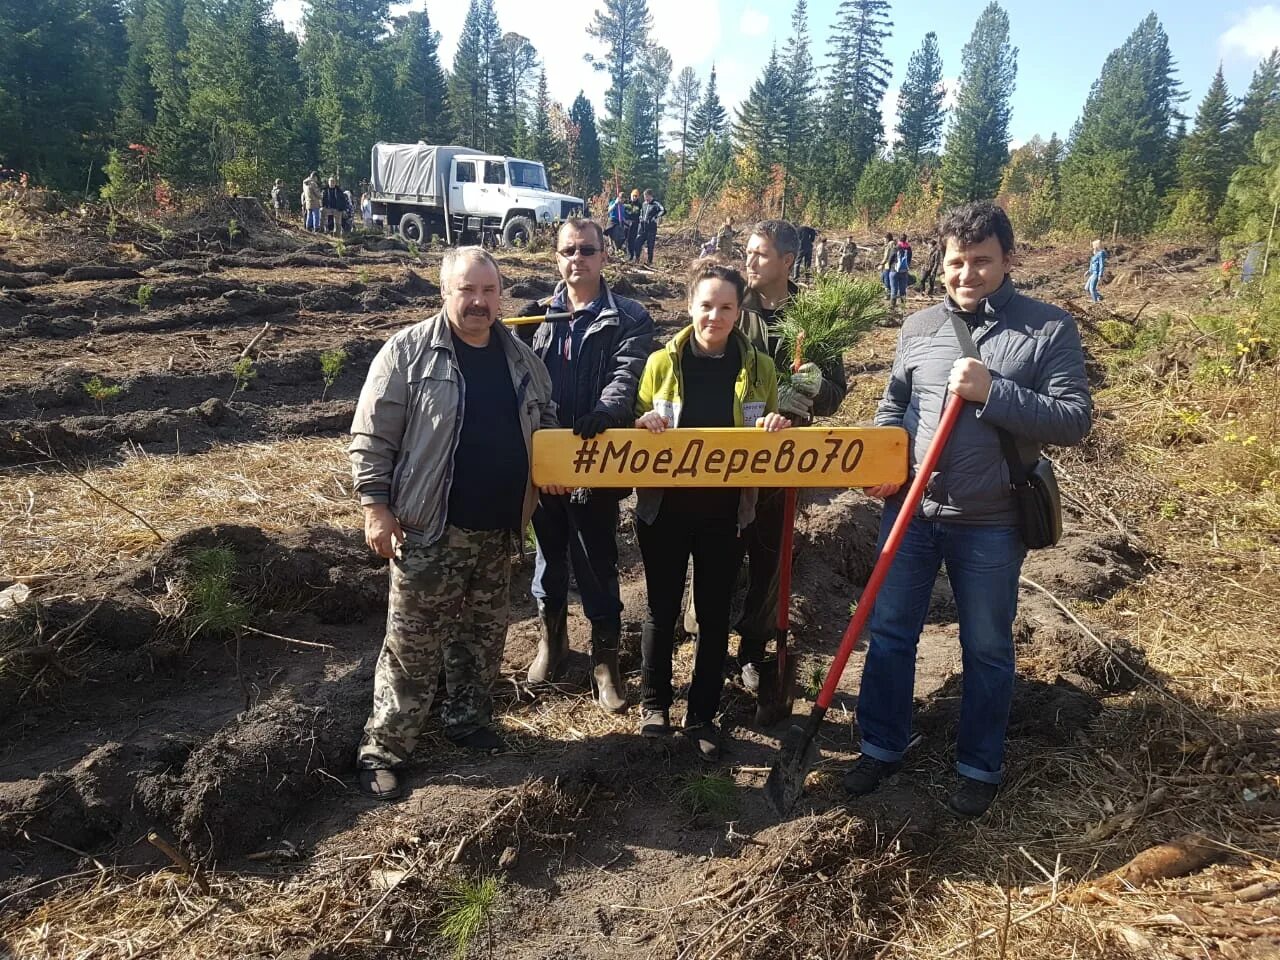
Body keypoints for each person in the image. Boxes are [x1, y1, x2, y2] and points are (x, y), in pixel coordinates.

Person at [846, 201, 1092, 818]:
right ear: (941, 264)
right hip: (910, 513)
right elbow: (893, 405)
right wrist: (885, 463)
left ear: (1008, 260)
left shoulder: (1047, 329)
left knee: (985, 646)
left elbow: (1073, 419)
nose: (967, 274)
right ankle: (880, 747)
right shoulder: (918, 328)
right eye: (956, 262)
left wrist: (994, 392)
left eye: (982, 261)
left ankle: (978, 764)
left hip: (991, 522)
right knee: (891, 635)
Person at [349, 247, 559, 801]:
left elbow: (548, 423)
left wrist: (555, 469)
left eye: (489, 292)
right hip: (428, 529)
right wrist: (375, 506)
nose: (479, 302)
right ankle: (385, 748)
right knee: (411, 645)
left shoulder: (521, 359)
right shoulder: (409, 353)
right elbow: (373, 436)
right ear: (445, 293)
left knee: (484, 638)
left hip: (499, 531)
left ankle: (467, 721)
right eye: (467, 290)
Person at [633, 261, 790, 759]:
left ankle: (701, 713)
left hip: (728, 511)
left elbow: (767, 424)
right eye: (706, 306)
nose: (714, 316)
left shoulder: (759, 367)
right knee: (660, 608)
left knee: (716, 613)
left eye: (726, 307)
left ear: (739, 311)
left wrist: (773, 425)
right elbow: (633, 424)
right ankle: (653, 704)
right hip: (664, 510)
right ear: (690, 308)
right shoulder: (661, 363)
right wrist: (643, 422)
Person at [686, 220, 848, 692]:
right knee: (714, 548)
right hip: (731, 452)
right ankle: (703, 640)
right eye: (748, 252)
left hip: (784, 458)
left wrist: (816, 392)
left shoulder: (815, 313)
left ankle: (754, 650)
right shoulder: (737, 304)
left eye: (759, 254)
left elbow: (836, 390)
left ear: (787, 261)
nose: (749, 261)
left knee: (770, 552)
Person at [518, 218, 656, 712]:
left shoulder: (629, 316)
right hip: (545, 455)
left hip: (597, 455)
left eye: (587, 250)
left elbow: (629, 369)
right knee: (548, 556)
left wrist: (608, 410)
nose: (577, 259)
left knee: (597, 558)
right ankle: (551, 643)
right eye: (568, 250)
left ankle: (606, 661)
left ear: (604, 255)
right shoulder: (535, 316)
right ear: (557, 256)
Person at [638, 189, 665, 266]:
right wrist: (640, 218)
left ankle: (649, 261)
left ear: (650, 196)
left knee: (650, 245)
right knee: (638, 243)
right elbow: (641, 212)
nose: (645, 198)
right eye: (644, 197)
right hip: (643, 228)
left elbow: (663, 210)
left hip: (651, 228)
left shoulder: (655, 203)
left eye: (646, 196)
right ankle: (637, 259)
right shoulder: (644, 204)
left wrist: (656, 217)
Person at [624, 189, 642, 262]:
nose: (634, 197)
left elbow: (641, 215)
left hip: (635, 224)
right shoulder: (626, 203)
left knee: (633, 240)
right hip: (626, 224)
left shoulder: (639, 205)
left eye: (636, 196)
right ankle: (628, 255)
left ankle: (634, 256)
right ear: (631, 195)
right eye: (633, 196)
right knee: (626, 240)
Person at [894, 234, 913, 305]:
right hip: (905, 269)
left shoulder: (897, 246)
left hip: (896, 269)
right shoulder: (908, 247)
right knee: (903, 288)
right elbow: (910, 258)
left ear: (899, 239)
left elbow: (893, 257)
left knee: (894, 288)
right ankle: (903, 304)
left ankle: (893, 304)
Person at [879, 233, 898, 301]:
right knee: (883, 278)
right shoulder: (889, 244)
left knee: (886, 279)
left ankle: (888, 294)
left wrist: (881, 264)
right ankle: (888, 294)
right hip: (887, 264)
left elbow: (888, 256)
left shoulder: (891, 243)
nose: (883, 240)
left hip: (888, 265)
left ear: (887, 238)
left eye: (884, 239)